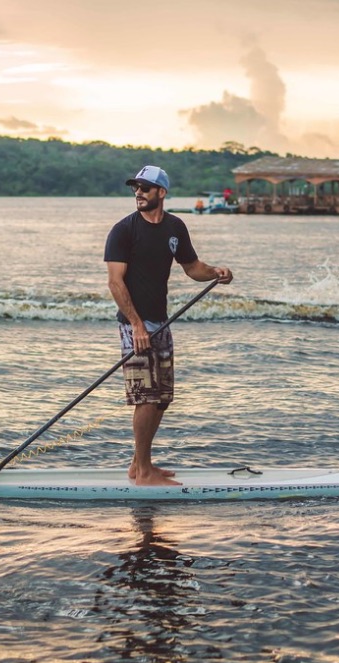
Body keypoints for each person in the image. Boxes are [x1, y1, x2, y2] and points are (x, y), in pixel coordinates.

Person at [104, 165, 233, 486]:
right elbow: (115, 283)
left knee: (162, 397)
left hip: (161, 323)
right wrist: (136, 325)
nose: (138, 193)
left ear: (161, 193)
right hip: (134, 326)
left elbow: (192, 267)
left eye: (145, 188)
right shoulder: (123, 230)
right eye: (135, 187)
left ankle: (139, 465)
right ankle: (144, 471)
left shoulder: (175, 227)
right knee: (145, 397)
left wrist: (216, 271)